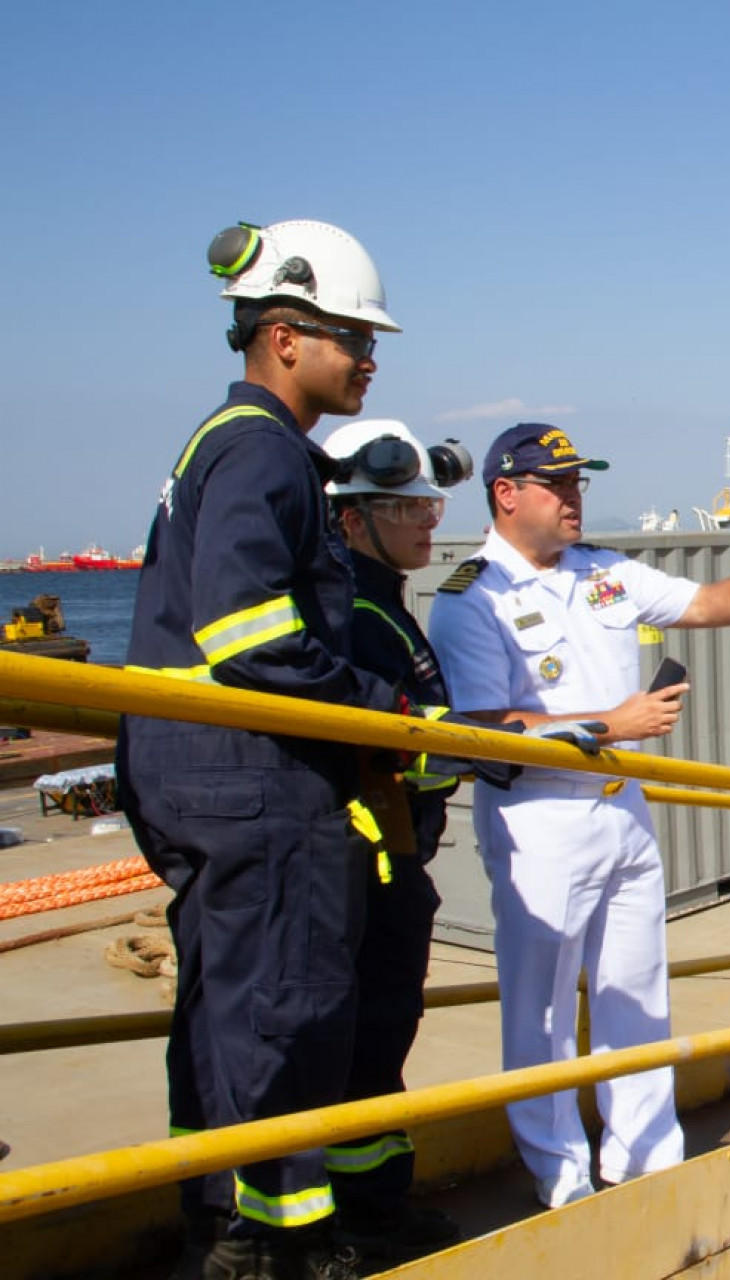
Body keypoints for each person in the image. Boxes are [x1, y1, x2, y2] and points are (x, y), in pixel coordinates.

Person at [426, 422, 730, 1209]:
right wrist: (605, 726)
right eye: (559, 485)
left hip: (624, 813)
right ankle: (562, 1180)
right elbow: (481, 730)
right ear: (506, 494)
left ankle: (645, 1159)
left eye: (579, 482)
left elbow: (703, 601)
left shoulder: (604, 573)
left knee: (636, 992)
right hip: (539, 821)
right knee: (543, 1010)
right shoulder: (472, 600)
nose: (575, 497)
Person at [118, 220, 402, 1280]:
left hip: (198, 770)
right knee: (286, 1008)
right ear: (283, 335)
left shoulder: (228, 445)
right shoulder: (263, 451)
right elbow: (248, 631)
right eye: (352, 338)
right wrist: (377, 711)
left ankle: (222, 1229)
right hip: (252, 775)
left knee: (225, 1006)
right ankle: (284, 1246)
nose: (369, 359)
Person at [315, 419, 487, 1264]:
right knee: (361, 1042)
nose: (429, 519)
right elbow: (389, 741)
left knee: (383, 1041)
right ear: (351, 517)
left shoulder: (383, 605)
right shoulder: (352, 615)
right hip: (369, 864)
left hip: (396, 859)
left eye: (429, 501)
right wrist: (477, 744)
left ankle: (380, 1207)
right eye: (407, 505)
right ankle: (354, 1223)